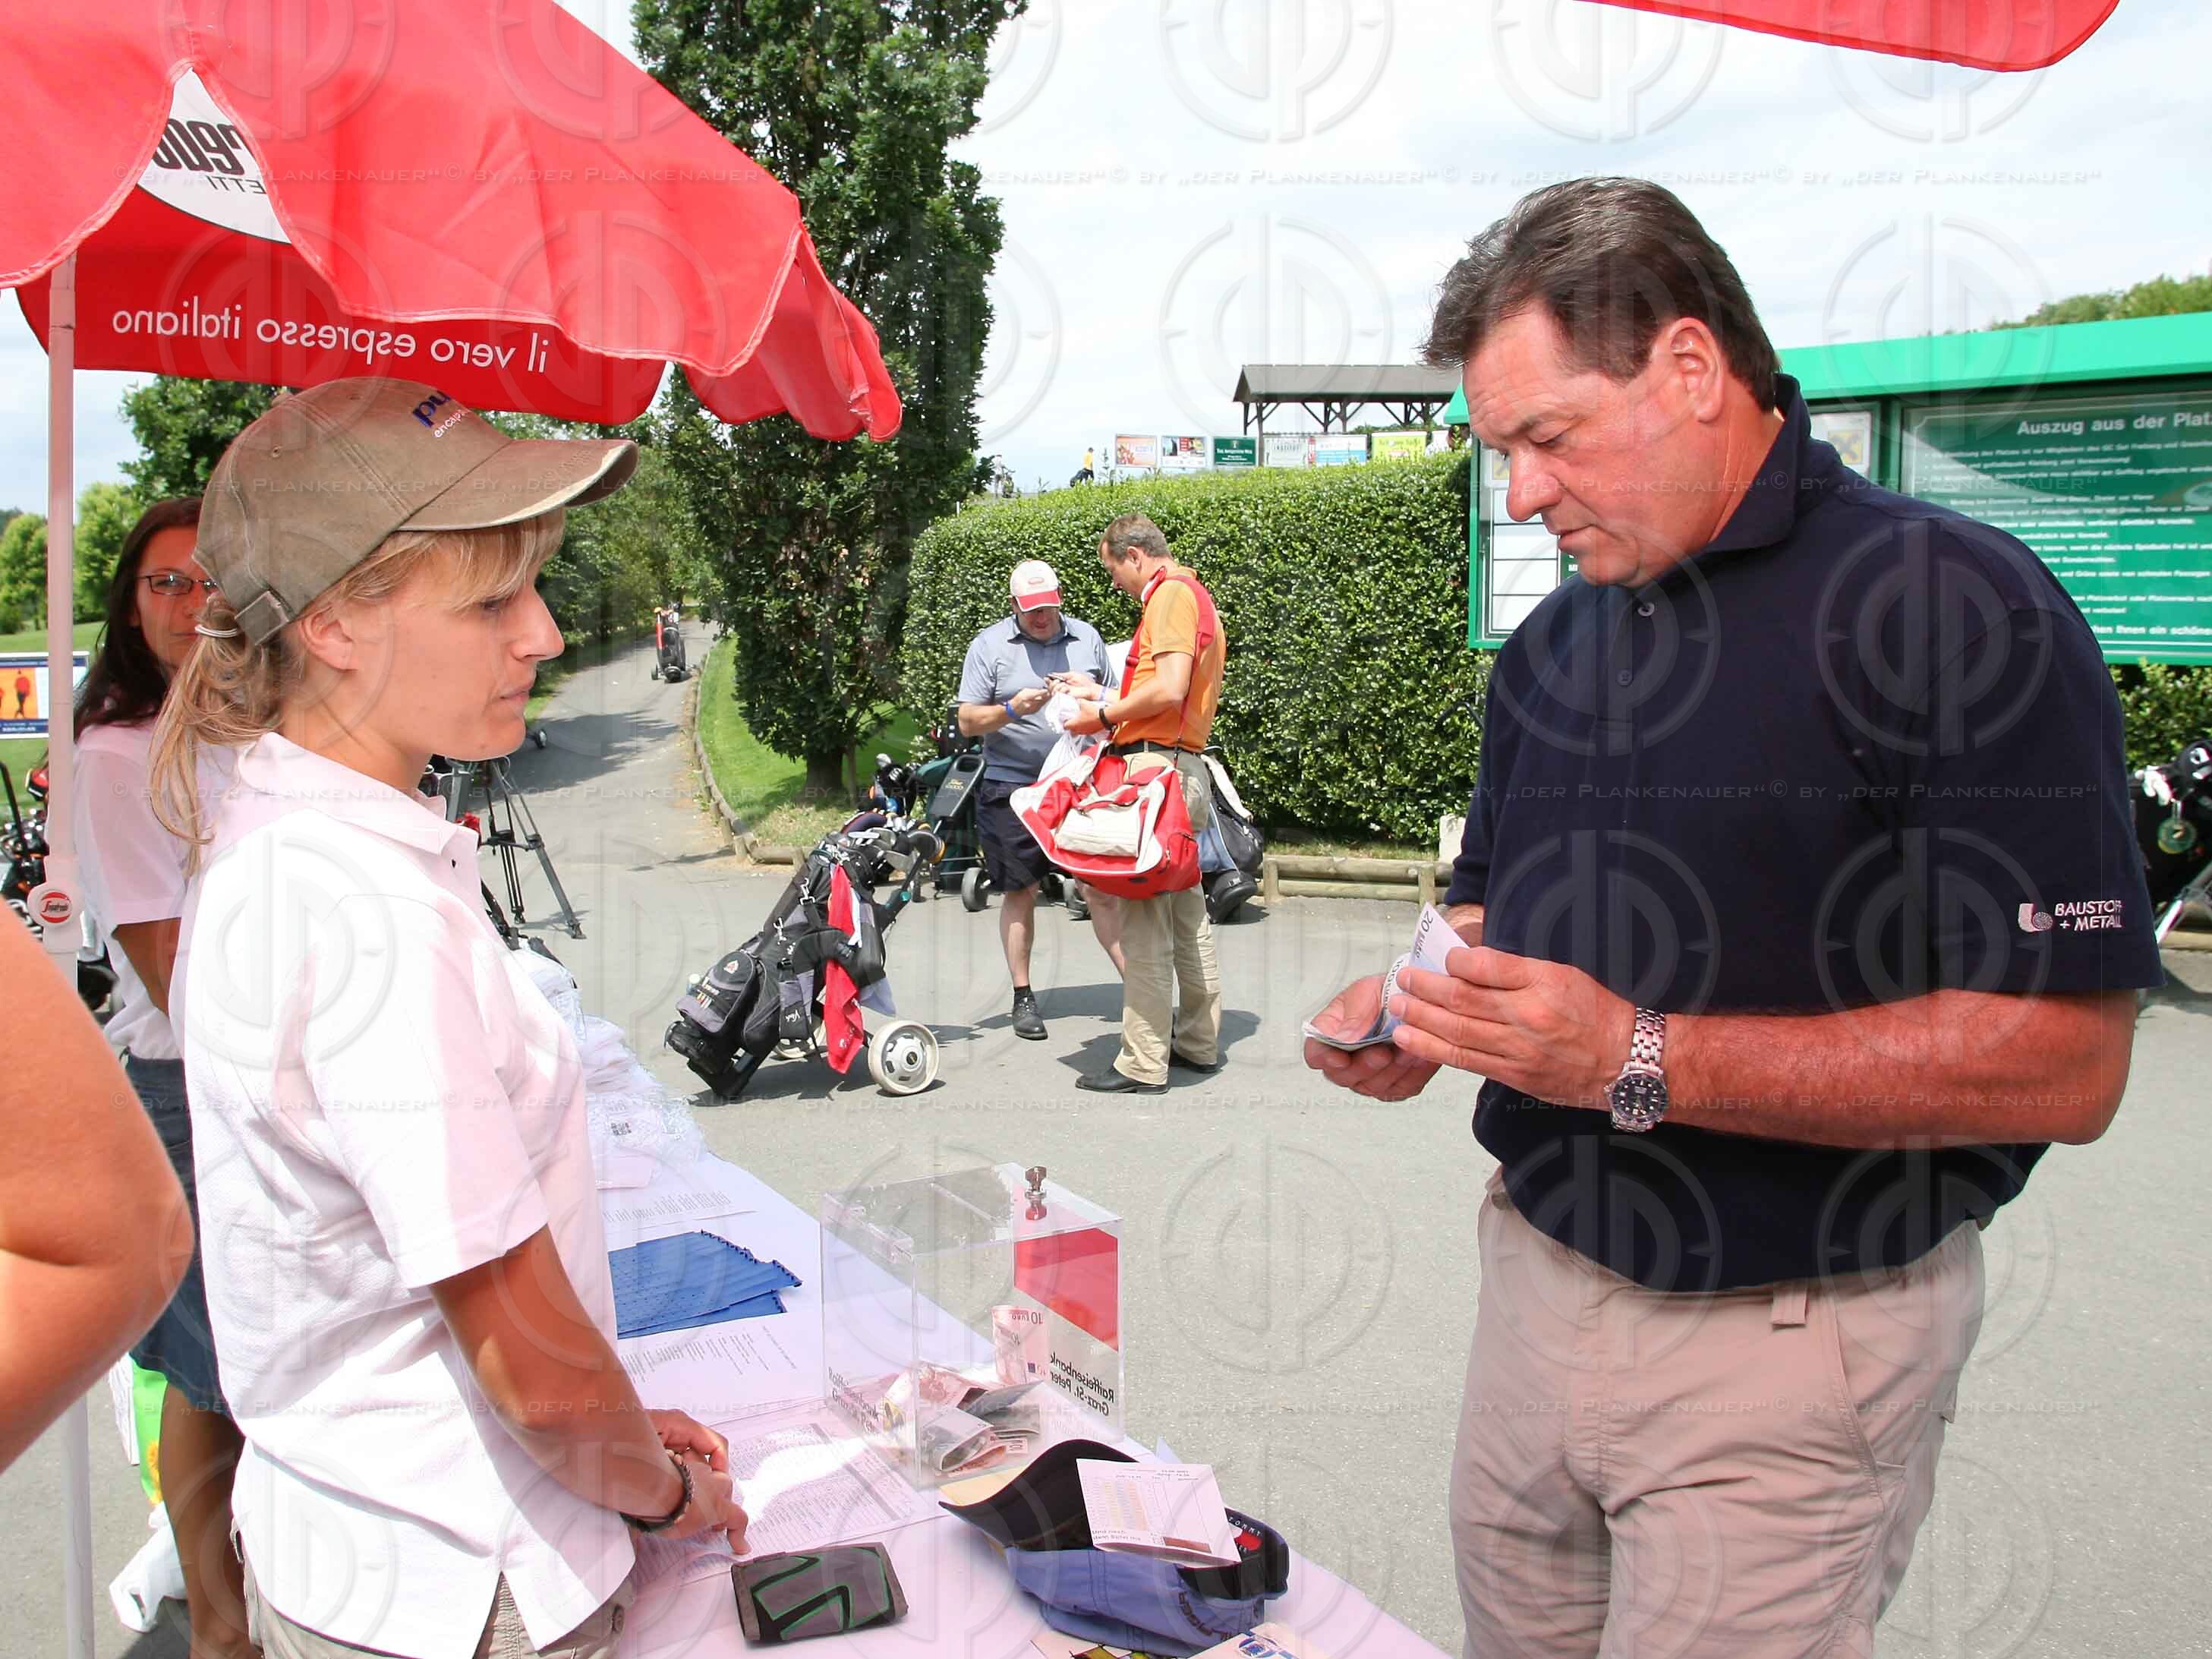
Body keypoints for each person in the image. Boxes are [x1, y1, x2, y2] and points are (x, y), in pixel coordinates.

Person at [1304, 178, 2160, 1655]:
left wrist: (1638, 1056)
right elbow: (1487, 896)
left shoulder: (1954, 610)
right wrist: (1423, 1003)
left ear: (1690, 369)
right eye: (1497, 449)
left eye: (1544, 439)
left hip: (1786, 1343)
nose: (1515, 492)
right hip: (1528, 1296)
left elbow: (2061, 1065)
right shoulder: (1554, 639)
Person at [153, 377, 745, 1659]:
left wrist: (620, 1422)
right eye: (490, 600)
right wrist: (659, 1491)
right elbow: (531, 1374)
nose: (540, 634)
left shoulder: (281, 841)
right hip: (469, 1575)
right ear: (334, 628)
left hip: (365, 1543)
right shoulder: (365, 914)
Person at [69, 496, 254, 1656]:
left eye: (208, 582)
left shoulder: (250, 727)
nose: (190, 604)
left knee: (258, 1363)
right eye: (164, 585)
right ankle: (221, 1627)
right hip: (191, 1087)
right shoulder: (112, 751)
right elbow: (167, 964)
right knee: (210, 1373)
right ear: (131, 609)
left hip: (266, 1078)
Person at [0, 910, 192, 1474]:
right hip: (175, 1068)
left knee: (204, 1367)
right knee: (196, 1370)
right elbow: (107, 1251)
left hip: (183, 1068)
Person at [1065, 515, 1227, 1093]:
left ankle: (1142, 1061)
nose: (1115, 584)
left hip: (1157, 775)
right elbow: (1168, 697)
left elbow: (1171, 686)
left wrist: (1101, 714)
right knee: (1187, 918)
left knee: (1145, 922)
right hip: (1181, 768)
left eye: (1113, 570)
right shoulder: (1192, 593)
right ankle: (1198, 1043)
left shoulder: (1170, 597)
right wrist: (1103, 694)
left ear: (1135, 555)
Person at [956, 558, 1122, 1040]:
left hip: (1081, 783)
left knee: (1103, 891)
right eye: (1032, 611)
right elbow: (967, 722)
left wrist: (1091, 696)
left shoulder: (1087, 638)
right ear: (1014, 607)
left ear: (1061, 597)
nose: (1042, 617)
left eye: (1048, 607)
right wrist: (1011, 710)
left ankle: (1141, 990)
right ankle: (1023, 996)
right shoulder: (988, 646)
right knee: (1019, 891)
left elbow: (1115, 701)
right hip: (1011, 787)